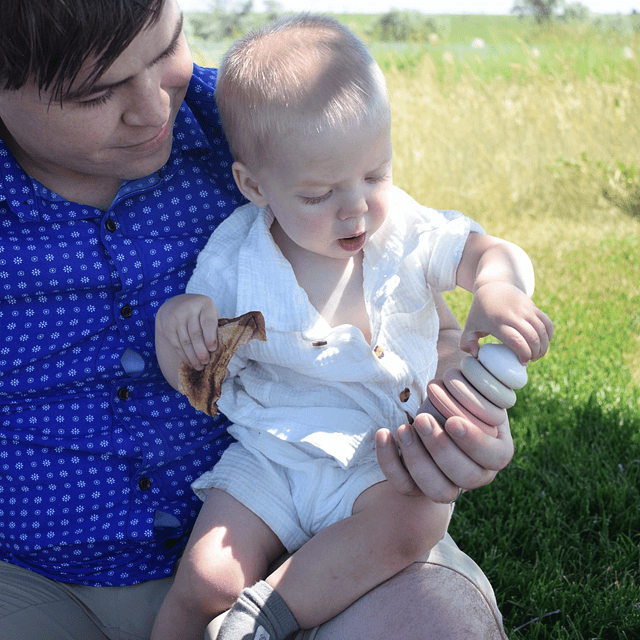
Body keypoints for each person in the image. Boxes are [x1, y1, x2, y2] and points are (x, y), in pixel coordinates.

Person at [0, 1, 524, 639]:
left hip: (328, 543)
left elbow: (416, 310)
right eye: (97, 93)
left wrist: (461, 417)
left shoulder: (268, 115)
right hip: (36, 580)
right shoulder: (240, 228)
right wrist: (186, 343)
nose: (154, 107)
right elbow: (199, 374)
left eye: (167, 49)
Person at [152, 14, 553, 640]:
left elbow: (485, 250)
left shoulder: (404, 233)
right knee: (205, 579)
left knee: (415, 522)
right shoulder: (236, 258)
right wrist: (179, 326)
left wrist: (497, 285)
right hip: (275, 457)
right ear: (254, 185)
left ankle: (271, 612)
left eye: (375, 175)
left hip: (381, 460)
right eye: (317, 194)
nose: (357, 207)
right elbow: (196, 373)